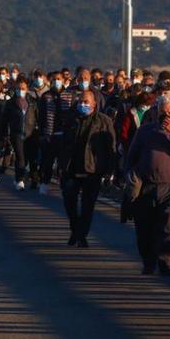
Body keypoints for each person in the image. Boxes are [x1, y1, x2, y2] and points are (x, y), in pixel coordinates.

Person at [127, 96, 170, 275]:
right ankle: (149, 262)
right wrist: (130, 177)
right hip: (147, 184)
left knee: (168, 227)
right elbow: (131, 155)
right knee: (145, 227)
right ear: (156, 112)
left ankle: (166, 263)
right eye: (163, 113)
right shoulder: (145, 131)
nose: (166, 117)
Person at [58, 89, 116, 248]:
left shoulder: (104, 121)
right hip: (71, 168)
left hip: (92, 170)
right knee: (69, 201)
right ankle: (75, 229)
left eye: (86, 102)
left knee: (87, 205)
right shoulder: (71, 120)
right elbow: (63, 144)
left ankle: (81, 234)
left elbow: (110, 148)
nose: (83, 104)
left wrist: (109, 170)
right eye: (80, 102)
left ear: (94, 104)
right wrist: (61, 164)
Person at [4, 78, 40, 190]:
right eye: (18, 89)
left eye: (23, 88)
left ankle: (34, 179)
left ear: (27, 89)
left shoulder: (33, 102)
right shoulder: (10, 103)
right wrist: (5, 135)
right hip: (17, 134)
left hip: (31, 134)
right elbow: (4, 120)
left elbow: (38, 117)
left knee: (32, 159)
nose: (20, 90)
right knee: (21, 158)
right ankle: (19, 179)